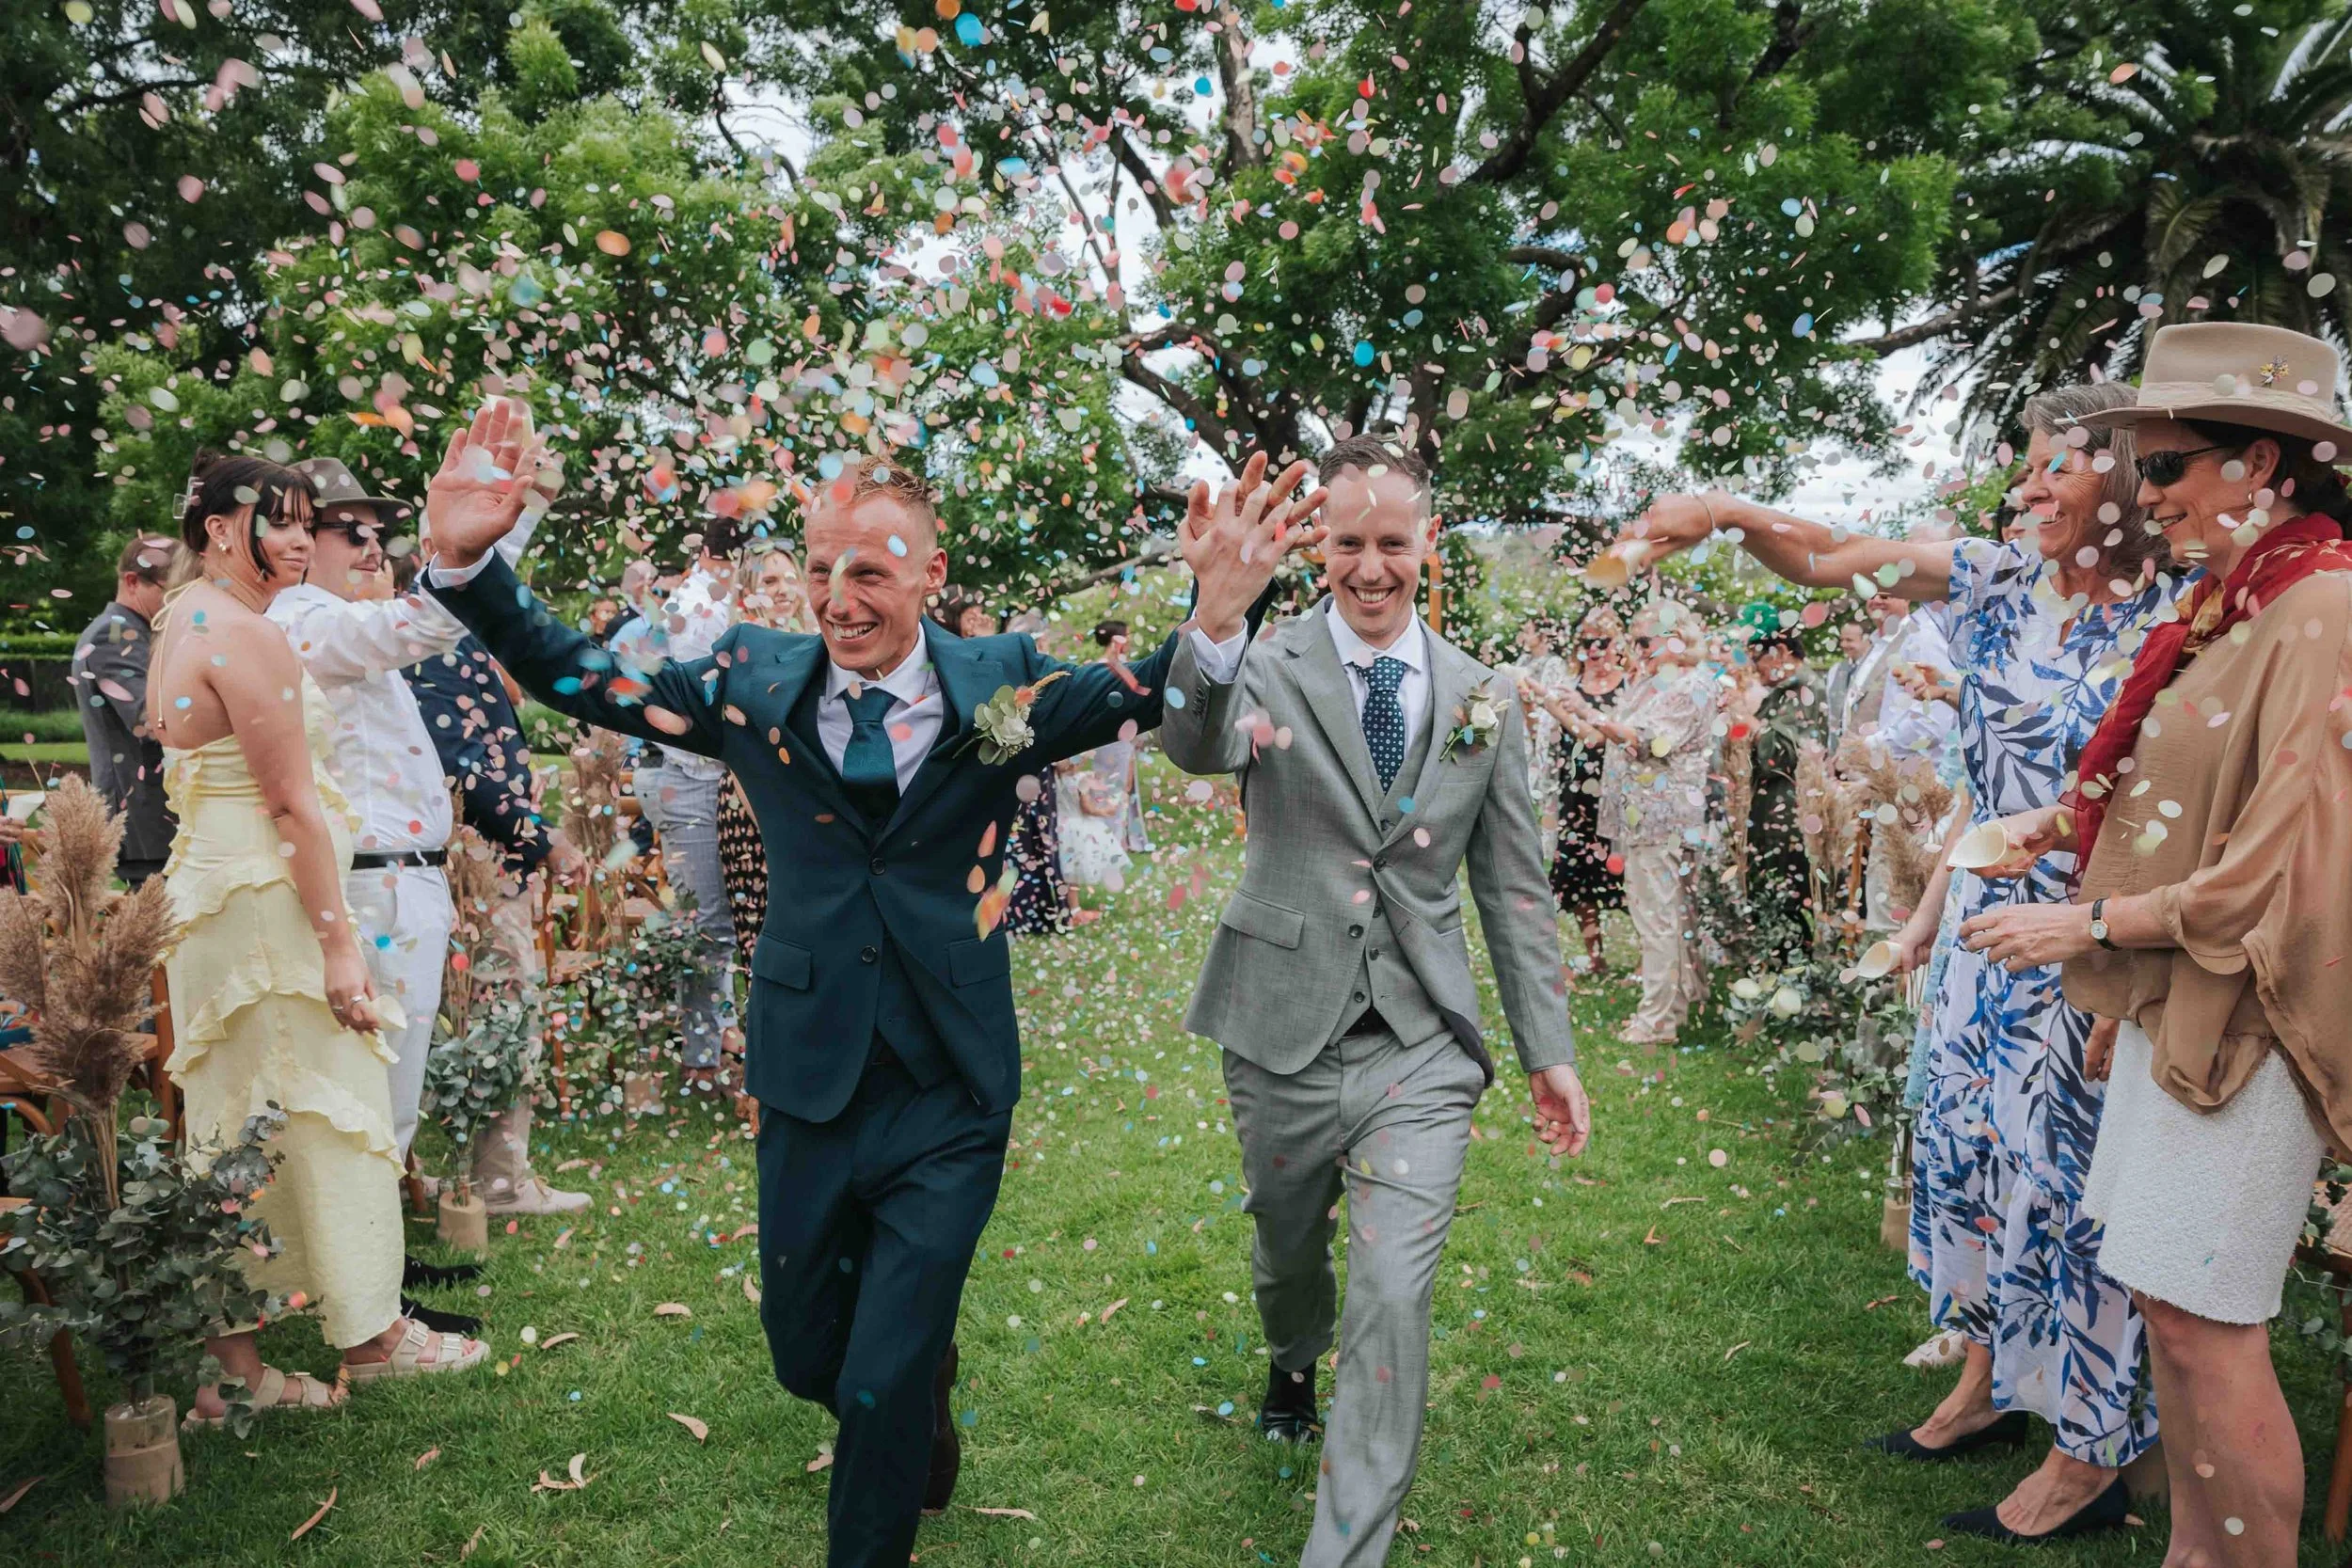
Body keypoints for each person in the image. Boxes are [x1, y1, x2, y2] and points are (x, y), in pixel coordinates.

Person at [420, 404, 1314, 1568]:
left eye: (871, 568)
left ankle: (894, 1440)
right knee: (808, 1352)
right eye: (822, 567)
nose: (840, 595)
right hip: (809, 1065)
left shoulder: (998, 679)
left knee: (879, 1377)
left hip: (951, 1077)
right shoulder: (748, 674)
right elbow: (586, 679)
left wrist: (1217, 609)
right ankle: (920, 1384)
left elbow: (1135, 692)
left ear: (930, 574)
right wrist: (465, 563)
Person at [1617, 381, 2175, 1544]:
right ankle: (1981, 1387)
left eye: (2053, 466)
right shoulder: (1994, 577)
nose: (2026, 489)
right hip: (1980, 932)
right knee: (1969, 1159)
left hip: (2091, 943)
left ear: (2129, 474)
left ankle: (2088, 1450)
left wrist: (2132, 968)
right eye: (2022, 467)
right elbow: (1828, 560)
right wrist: (1726, 509)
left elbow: (2185, 803)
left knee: (2066, 1191)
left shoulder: (2181, 612)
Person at [1960, 322, 2352, 1568]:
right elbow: (2171, 791)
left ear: (2269, 464)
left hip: (2252, 1025)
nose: (2149, 493)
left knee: (2209, 1323)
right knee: (2170, 1312)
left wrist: (2087, 923)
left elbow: (2274, 869)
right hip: (2172, 1002)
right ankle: (2197, 1552)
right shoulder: (2237, 606)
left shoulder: (2326, 610)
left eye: (2173, 464)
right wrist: (2061, 837)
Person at [1161, 435, 1589, 1568]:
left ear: (1426, 545)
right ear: (1319, 546)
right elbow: (1192, 745)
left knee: (1394, 1292)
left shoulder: (1482, 695)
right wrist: (1214, 612)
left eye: (1390, 542)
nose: (1368, 566)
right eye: (1346, 541)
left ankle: (1342, 1552)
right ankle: (1290, 1354)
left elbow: (1512, 882)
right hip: (1277, 1024)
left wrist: (1550, 1048)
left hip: (1421, 1040)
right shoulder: (1263, 659)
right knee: (1286, 1249)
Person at [151, 451, 486, 1422]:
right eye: (284, 520)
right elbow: (292, 804)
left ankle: (233, 1366)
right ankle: (376, 1339)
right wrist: (342, 948)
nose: (301, 539)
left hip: (214, 892)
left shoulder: (183, 619)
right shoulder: (244, 634)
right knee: (329, 1107)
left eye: (308, 523)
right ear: (221, 526)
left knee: (233, 1125)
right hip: (268, 900)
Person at [397, 550, 591, 1218]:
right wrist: (546, 839)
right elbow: (469, 776)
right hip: (482, 865)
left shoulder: (448, 641)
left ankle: (479, 1176)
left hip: (486, 862)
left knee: (490, 1013)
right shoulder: (442, 648)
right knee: (505, 1011)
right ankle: (497, 1181)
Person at [619, 525, 743, 1095]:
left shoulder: (717, 599)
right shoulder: (697, 608)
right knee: (706, 922)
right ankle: (700, 1058)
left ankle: (726, 1036)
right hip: (691, 777)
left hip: (717, 780)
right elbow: (704, 704)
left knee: (727, 917)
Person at [1565, 603, 1713, 1043]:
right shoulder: (1654, 684)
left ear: (1676, 639)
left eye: (1645, 641)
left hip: (1661, 818)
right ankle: (1686, 1000)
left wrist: (1592, 713)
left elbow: (1651, 743)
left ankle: (1657, 1021)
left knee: (1658, 919)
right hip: (1648, 817)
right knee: (1675, 916)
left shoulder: (1688, 687)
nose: (1638, 649)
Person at [721, 539, 818, 967]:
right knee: (765, 940)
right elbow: (737, 754)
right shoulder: (742, 655)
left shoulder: (817, 645)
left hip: (810, 808)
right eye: (770, 580)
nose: (782, 589)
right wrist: (772, 825)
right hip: (753, 809)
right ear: (748, 591)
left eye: (790, 578)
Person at [69, 535, 181, 884]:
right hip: (146, 820)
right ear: (133, 581)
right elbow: (151, 722)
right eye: (172, 590)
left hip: (160, 821)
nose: (178, 603)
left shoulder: (139, 631)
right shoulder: (113, 636)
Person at [1524, 608, 1626, 976]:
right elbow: (1546, 737)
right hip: (1575, 790)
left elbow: (1600, 739)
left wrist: (1556, 706)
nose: (1595, 650)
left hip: (1617, 793)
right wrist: (1533, 703)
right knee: (1577, 873)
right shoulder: (1572, 682)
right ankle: (1595, 957)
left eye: (1603, 642)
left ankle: (1651, 960)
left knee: (1625, 873)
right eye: (1588, 643)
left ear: (1618, 644)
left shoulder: (1630, 685)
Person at [1744, 628, 1823, 964]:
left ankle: (1792, 967)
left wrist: (1748, 722)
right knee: (1770, 885)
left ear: (1780, 651)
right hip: (1770, 803)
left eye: (1756, 659)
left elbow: (1783, 754)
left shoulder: (1804, 690)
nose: (1754, 670)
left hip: (1789, 807)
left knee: (1787, 886)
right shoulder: (1780, 692)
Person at [1819, 619, 1870, 747]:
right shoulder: (1835, 670)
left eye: (1849, 640)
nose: (1843, 645)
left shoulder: (1874, 671)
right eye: (1842, 640)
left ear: (1866, 639)